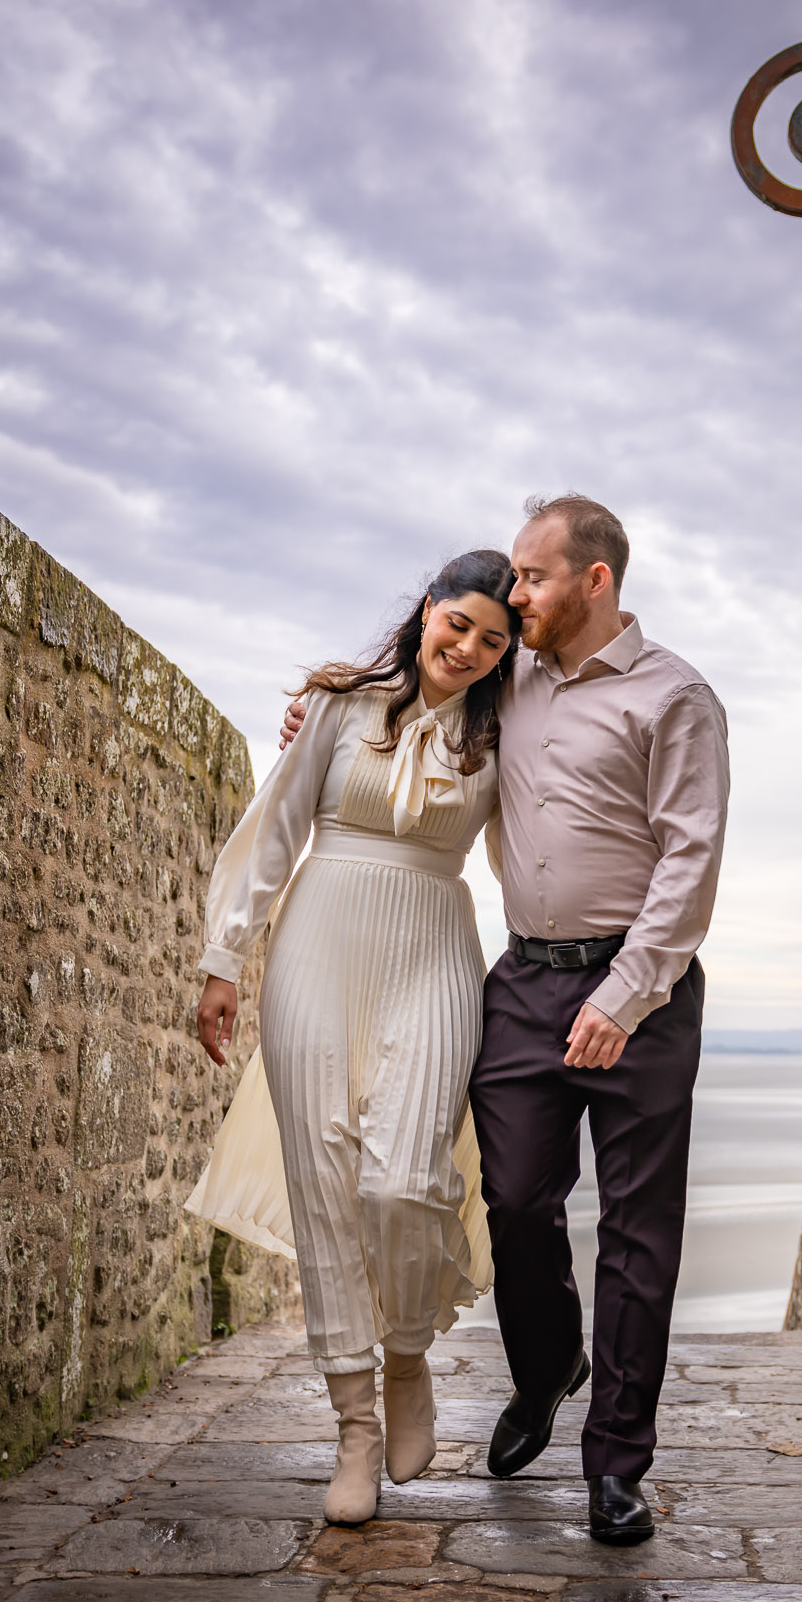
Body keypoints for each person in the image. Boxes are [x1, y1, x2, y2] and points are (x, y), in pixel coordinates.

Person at [283, 496, 729, 1546]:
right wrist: (317, 715)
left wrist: (625, 995)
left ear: (595, 580)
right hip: (523, 982)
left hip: (643, 989)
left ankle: (616, 1463)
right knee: (516, 1201)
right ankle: (547, 1365)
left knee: (639, 1231)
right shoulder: (507, 676)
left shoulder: (675, 697)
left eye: (532, 577)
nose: (514, 594)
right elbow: (414, 694)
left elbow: (691, 857)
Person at [189, 550, 519, 1528]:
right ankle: (354, 1431)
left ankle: (407, 1351)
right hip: (317, 949)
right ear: (427, 611)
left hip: (434, 951)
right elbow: (275, 826)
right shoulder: (339, 706)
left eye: (492, 639)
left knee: (404, 1179)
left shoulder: (507, 734)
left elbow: (538, 845)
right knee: (327, 1189)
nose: (467, 647)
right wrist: (223, 959)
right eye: (458, 623)